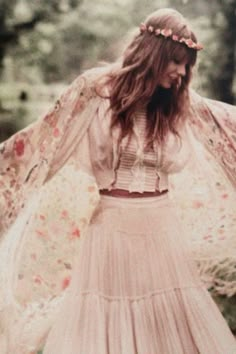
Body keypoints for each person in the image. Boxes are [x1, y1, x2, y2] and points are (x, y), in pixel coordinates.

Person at [0, 7, 236, 354]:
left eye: (188, 65)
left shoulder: (180, 104)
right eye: (176, 61)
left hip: (160, 230)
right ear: (153, 54)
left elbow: (226, 127)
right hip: (110, 229)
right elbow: (44, 143)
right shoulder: (96, 92)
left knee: (168, 325)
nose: (182, 73)